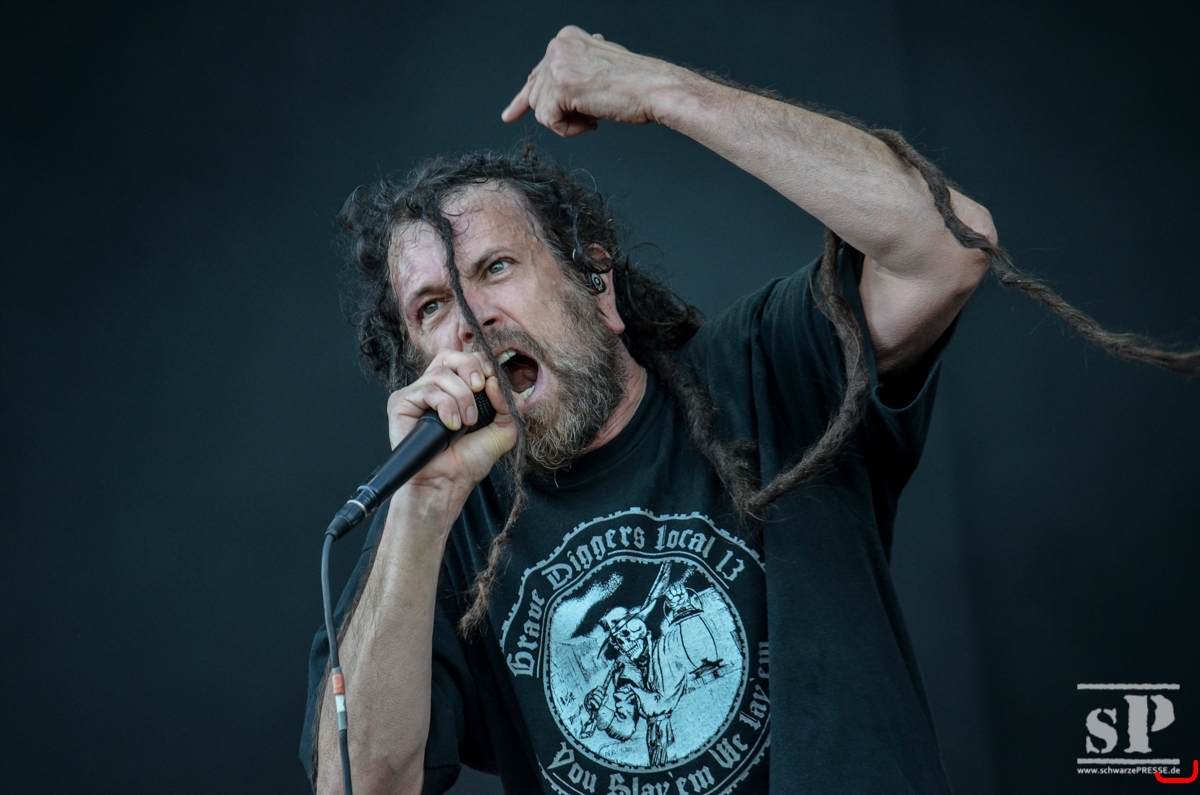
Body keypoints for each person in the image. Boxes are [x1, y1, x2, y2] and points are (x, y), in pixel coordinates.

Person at [301, 24, 1003, 795]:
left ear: (596, 285)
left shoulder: (768, 369)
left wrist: (662, 91)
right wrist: (418, 513)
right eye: (432, 306)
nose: (470, 318)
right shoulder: (434, 528)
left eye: (495, 266)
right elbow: (357, 787)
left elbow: (949, 246)